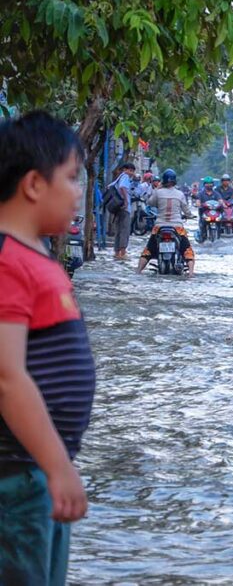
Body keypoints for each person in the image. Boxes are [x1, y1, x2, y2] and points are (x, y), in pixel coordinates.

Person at [0, 111, 94, 582]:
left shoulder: (33, 252)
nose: (79, 192)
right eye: (72, 178)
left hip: (36, 476)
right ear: (34, 184)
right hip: (16, 480)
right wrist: (58, 467)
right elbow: (6, 375)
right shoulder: (7, 260)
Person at [136, 169, 195, 277]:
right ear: (175, 181)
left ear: (163, 181)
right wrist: (190, 216)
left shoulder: (158, 192)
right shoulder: (180, 194)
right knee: (187, 249)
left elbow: (150, 202)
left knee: (148, 250)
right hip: (177, 227)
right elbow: (186, 210)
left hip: (159, 227)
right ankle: (191, 273)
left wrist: (158, 188)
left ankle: (138, 271)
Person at [108, 160, 135, 260]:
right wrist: (126, 201)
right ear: (125, 169)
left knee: (119, 230)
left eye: (133, 171)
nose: (132, 173)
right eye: (130, 170)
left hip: (118, 207)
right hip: (124, 208)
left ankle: (117, 252)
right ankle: (123, 252)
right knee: (125, 230)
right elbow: (123, 187)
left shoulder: (119, 177)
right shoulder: (125, 177)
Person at [196, 177, 219, 242]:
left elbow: (220, 201)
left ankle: (219, 235)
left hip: (214, 213)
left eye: (210, 183)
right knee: (202, 226)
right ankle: (203, 237)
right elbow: (198, 201)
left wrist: (223, 205)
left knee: (220, 222)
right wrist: (199, 204)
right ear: (204, 184)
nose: (209, 185)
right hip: (203, 213)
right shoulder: (200, 193)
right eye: (207, 183)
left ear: (213, 184)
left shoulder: (216, 193)